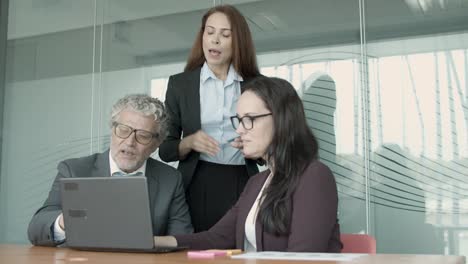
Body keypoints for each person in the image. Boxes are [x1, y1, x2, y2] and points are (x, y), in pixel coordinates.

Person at [155, 76, 342, 252]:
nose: (239, 130)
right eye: (239, 120)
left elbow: (302, 259)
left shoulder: (314, 176)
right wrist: (152, 241)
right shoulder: (257, 182)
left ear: (281, 119)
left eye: (249, 119)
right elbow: (216, 238)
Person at [28, 94, 193, 246]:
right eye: (123, 130)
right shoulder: (74, 170)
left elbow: (183, 239)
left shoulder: (170, 179)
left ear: (157, 144)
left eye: (142, 135)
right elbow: (36, 229)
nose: (129, 142)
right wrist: (66, 221)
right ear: (112, 131)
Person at [159, 4, 260, 232]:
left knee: (241, 245)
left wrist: (253, 145)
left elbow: (271, 147)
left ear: (238, 42)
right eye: (209, 32)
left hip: (242, 178)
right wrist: (190, 142)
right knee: (196, 249)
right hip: (196, 179)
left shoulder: (258, 85)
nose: (215, 40)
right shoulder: (180, 85)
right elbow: (165, 150)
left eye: (225, 35)